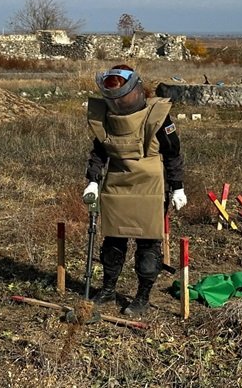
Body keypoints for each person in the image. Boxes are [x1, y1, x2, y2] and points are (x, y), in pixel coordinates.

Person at [83, 64, 187, 317]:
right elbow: (99, 152)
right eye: (113, 99)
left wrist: (177, 187)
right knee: (112, 241)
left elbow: (172, 153)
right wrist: (93, 180)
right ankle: (107, 289)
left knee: (148, 243)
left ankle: (142, 296)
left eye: (123, 97)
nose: (118, 104)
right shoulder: (104, 117)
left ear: (137, 90)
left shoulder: (157, 115)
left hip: (149, 186)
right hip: (116, 183)